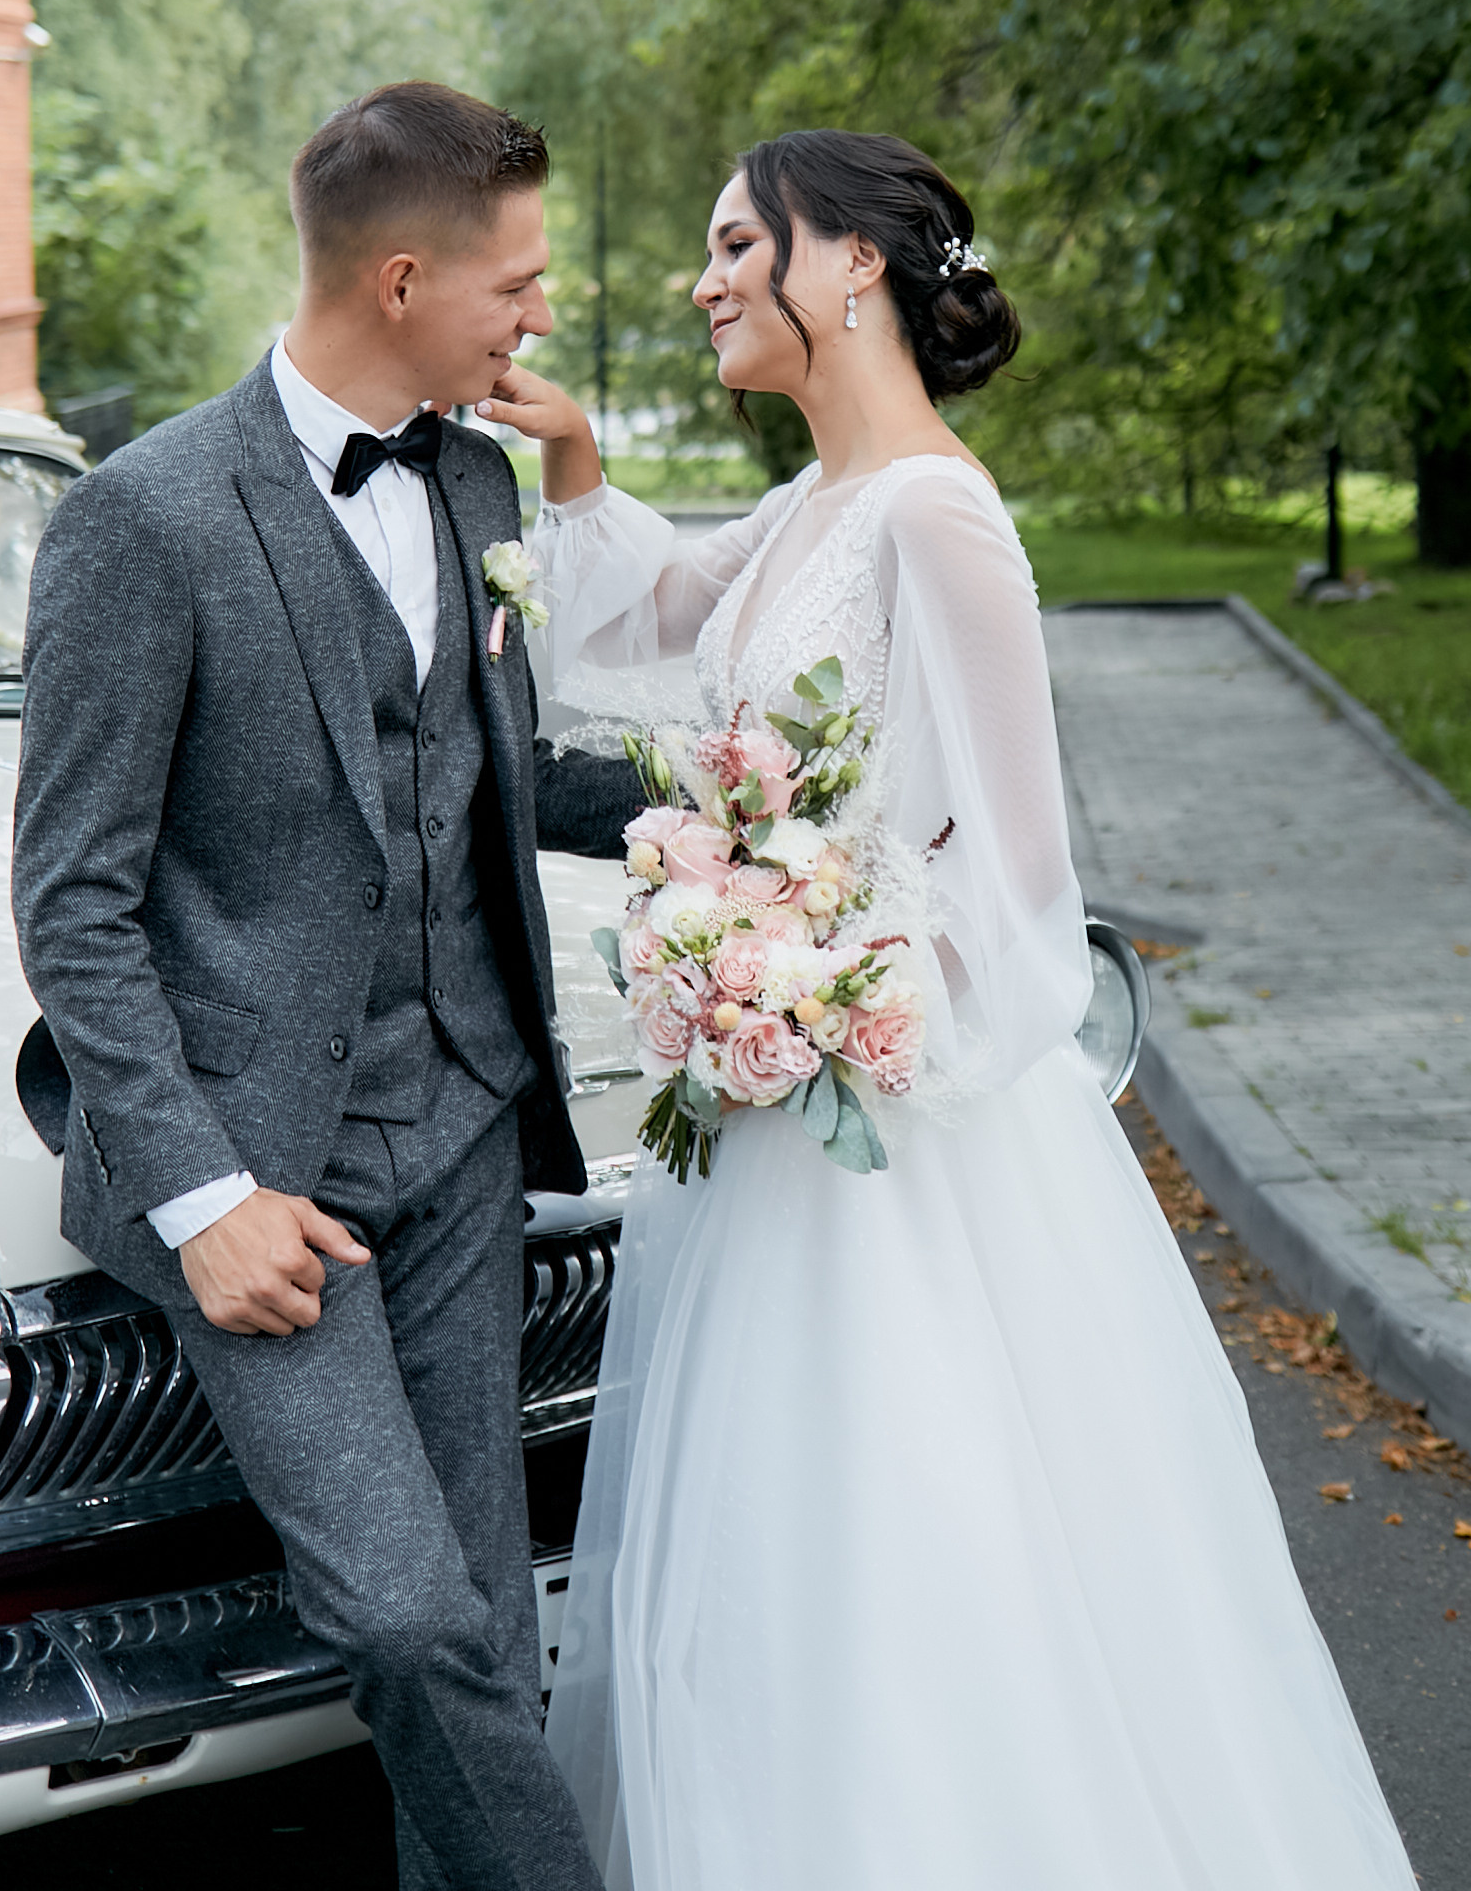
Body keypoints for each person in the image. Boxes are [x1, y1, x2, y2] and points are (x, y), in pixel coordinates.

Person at [481, 129, 1419, 1891]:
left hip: (895, 1145)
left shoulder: (940, 514)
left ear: (849, 267)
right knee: (771, 1566)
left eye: (737, 241)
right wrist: (580, 454)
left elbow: (1020, 894)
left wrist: (824, 989)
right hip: (765, 1137)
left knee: (920, 1553)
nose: (706, 282)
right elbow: (635, 631)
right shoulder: (802, 513)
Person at [10, 82, 604, 1891]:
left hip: (465, 1133)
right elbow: (73, 900)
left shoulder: (479, 476)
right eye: (517, 282)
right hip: (267, 1186)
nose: (539, 318)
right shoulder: (146, 518)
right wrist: (200, 1201)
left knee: (488, 1636)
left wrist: (766, 796)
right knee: (408, 1624)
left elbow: (494, 767)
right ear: (406, 278)